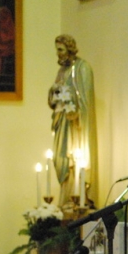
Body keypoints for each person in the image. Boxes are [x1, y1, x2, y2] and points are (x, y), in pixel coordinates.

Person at [48, 34, 97, 207]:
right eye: (57, 50)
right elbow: (54, 97)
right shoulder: (62, 71)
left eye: (61, 49)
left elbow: (86, 100)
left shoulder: (82, 68)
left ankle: (75, 197)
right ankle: (65, 197)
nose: (58, 53)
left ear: (70, 49)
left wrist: (75, 110)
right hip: (61, 122)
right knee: (60, 159)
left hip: (75, 126)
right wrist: (54, 93)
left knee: (73, 157)